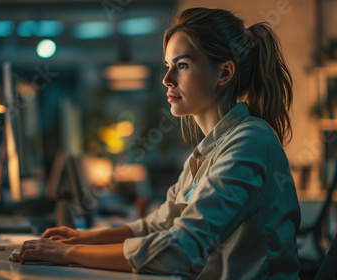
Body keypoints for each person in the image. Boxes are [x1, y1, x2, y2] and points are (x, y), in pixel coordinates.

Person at [19, 7, 300, 279]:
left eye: (182, 65)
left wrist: (70, 254)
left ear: (224, 73)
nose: (167, 79)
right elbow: (159, 224)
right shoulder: (210, 149)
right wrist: (84, 239)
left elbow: (180, 248)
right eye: (168, 66)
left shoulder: (250, 140)